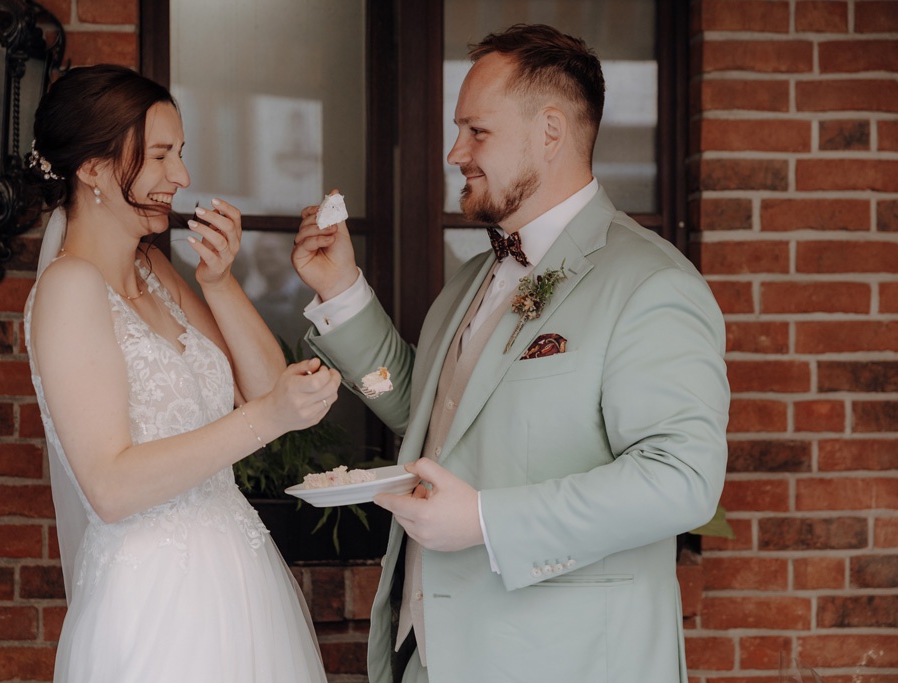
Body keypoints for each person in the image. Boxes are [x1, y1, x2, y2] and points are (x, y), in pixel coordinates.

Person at [291, 24, 729, 683]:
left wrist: (487, 520)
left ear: (550, 131)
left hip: (562, 660)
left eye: (477, 131)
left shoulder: (651, 283)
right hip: (424, 652)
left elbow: (682, 480)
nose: (453, 151)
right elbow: (426, 412)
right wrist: (342, 292)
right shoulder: (471, 277)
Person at [23, 64, 338, 683]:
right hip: (154, 599)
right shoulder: (67, 290)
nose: (182, 178)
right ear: (92, 169)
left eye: (180, 154)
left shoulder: (157, 272)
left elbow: (265, 385)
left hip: (239, 579)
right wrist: (266, 417)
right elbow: (110, 488)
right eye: (160, 155)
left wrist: (218, 284)